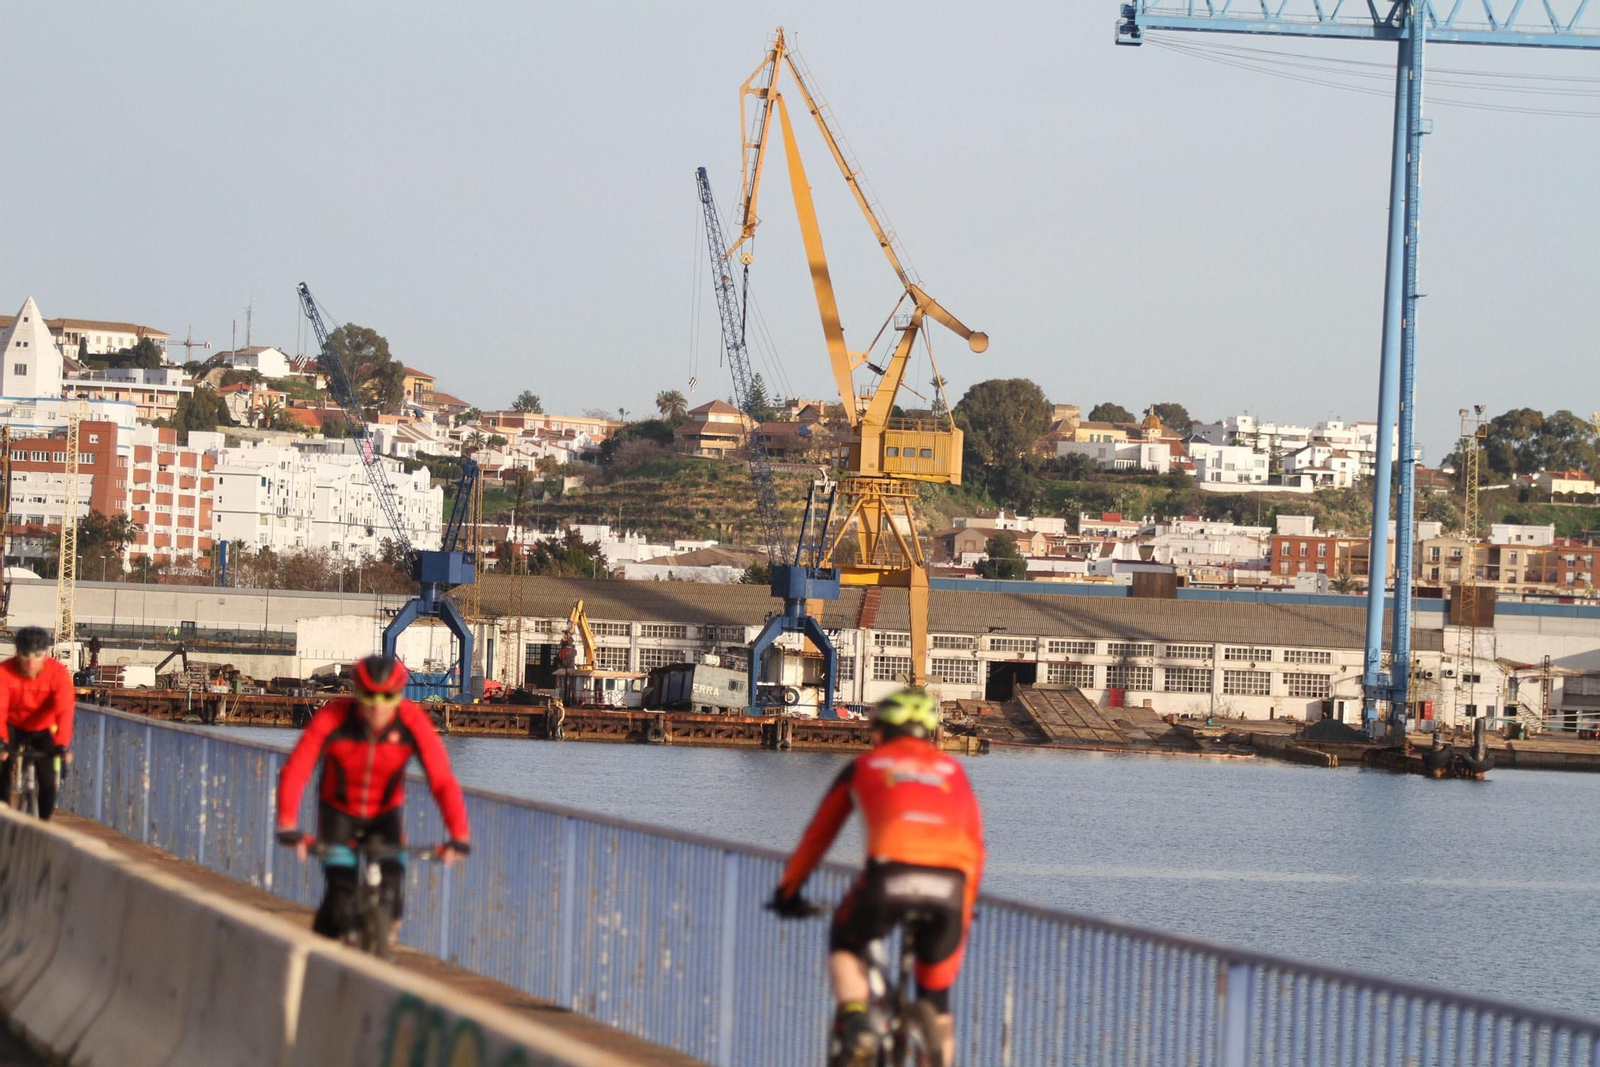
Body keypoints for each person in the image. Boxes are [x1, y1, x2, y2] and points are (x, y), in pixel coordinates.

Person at [770, 688, 985, 1067]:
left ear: (881, 731)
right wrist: (967, 901)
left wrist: (788, 892)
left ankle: (858, 1023)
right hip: (951, 888)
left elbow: (817, 837)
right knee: (936, 1001)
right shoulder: (954, 771)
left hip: (890, 878)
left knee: (846, 942)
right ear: (931, 733)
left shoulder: (866, 766)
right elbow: (976, 846)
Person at [276, 654, 470, 944]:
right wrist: (287, 822)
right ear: (357, 695)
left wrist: (458, 834)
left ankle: (383, 939)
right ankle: (318, 963)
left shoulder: (411, 721)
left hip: (384, 812)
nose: (378, 706)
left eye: (388, 697)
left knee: (392, 888)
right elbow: (298, 768)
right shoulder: (333, 717)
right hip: (338, 809)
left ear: (399, 696)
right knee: (339, 896)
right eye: (369, 697)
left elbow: (441, 780)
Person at [0, 627, 77, 820]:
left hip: (44, 726)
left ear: (46, 654)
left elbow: (64, 711)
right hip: (12, 724)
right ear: (17, 653)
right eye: (25, 655)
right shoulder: (4, 671)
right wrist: (2, 742)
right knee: (2, 765)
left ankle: (43, 821)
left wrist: (62, 744)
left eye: (37, 655)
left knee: (49, 780)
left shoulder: (58, 673)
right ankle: (3, 811)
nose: (31, 661)